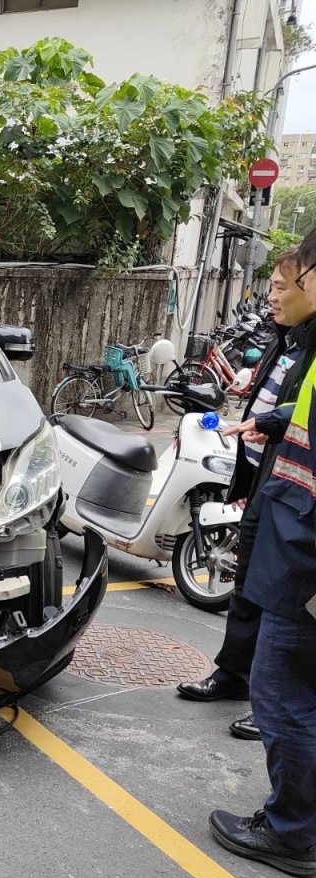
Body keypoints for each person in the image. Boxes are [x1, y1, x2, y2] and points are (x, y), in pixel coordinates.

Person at [208, 230, 316, 878]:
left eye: (295, 276)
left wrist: (290, 569)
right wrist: (270, 425)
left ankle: (293, 831)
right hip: (295, 533)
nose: (289, 289)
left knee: (281, 690)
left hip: (303, 550)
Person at [178, 248, 316, 744]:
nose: (272, 297)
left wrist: (272, 422)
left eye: (284, 287)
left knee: (283, 606)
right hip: (268, 482)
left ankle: (272, 702)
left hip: (297, 495)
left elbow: (298, 414)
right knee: (249, 587)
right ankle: (234, 676)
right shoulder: (287, 340)